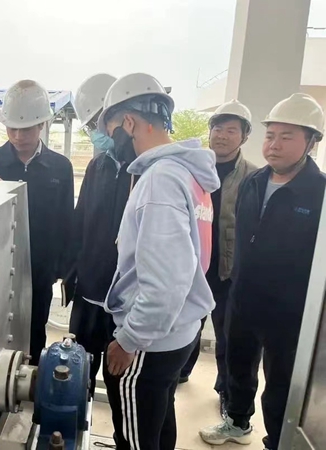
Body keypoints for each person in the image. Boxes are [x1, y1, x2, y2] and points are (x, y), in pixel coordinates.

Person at [99, 73, 219, 450]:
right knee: (158, 425)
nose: (111, 141)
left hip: (150, 341)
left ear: (129, 122)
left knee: (134, 439)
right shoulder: (188, 173)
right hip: (178, 330)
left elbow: (166, 280)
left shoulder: (161, 179)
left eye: (112, 130)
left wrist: (129, 339)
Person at [200, 93, 326, 450]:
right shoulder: (253, 182)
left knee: (281, 382)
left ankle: (277, 441)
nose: (274, 145)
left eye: (287, 137)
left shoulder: (318, 192)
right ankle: (237, 423)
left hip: (289, 310)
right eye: (271, 136)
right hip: (243, 297)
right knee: (238, 367)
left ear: (311, 142)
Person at [0, 80, 74, 365]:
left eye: (27, 129)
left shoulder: (60, 167)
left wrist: (61, 268)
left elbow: (65, 220)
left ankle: (31, 381)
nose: (18, 136)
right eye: (12, 128)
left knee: (34, 333)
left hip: (40, 271)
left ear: (42, 124)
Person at [178, 100, 257, 417]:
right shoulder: (193, 170)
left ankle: (227, 394)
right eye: (217, 128)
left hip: (228, 271)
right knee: (185, 326)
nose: (221, 135)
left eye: (231, 130)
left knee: (229, 339)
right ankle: (180, 372)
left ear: (244, 137)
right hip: (194, 266)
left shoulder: (253, 177)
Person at [65, 73, 138, 394]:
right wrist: (73, 272)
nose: (98, 131)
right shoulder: (98, 167)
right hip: (89, 290)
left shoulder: (146, 170)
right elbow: (81, 222)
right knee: (79, 370)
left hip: (124, 300)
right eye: (92, 125)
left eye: (101, 121)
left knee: (119, 379)